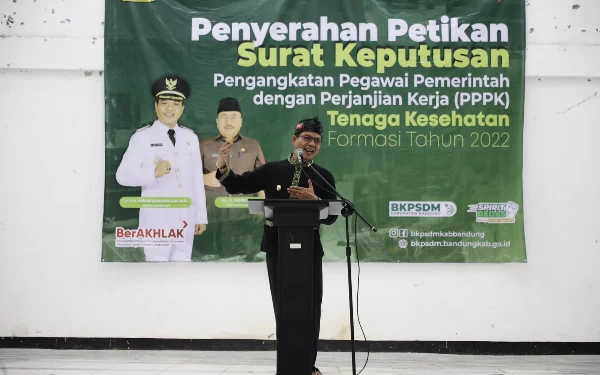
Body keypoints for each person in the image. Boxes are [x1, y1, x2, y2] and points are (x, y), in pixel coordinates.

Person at [215, 116, 335, 375]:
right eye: (306, 138)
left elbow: (334, 215)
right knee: (284, 306)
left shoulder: (323, 176)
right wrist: (223, 165)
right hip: (278, 250)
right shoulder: (272, 170)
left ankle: (308, 366)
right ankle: (289, 365)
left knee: (311, 309)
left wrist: (315, 199)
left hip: (309, 252)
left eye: (317, 141)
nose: (311, 144)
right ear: (294, 140)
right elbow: (239, 185)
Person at [115, 74, 208, 262]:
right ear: (156, 106)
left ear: (182, 108)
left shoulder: (190, 138)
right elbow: (122, 176)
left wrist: (201, 216)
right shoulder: (142, 138)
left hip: (185, 220)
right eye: (164, 103)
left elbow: (196, 179)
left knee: (182, 273)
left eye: (175, 103)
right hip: (157, 221)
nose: (170, 109)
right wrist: (153, 173)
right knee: (155, 275)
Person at [199, 97, 265, 260]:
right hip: (212, 218)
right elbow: (186, 178)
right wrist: (204, 178)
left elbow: (264, 179)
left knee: (241, 266)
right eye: (224, 116)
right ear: (217, 121)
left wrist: (261, 210)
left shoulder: (253, 145)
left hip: (243, 218)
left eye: (234, 117)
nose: (229, 122)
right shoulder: (203, 145)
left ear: (241, 121)